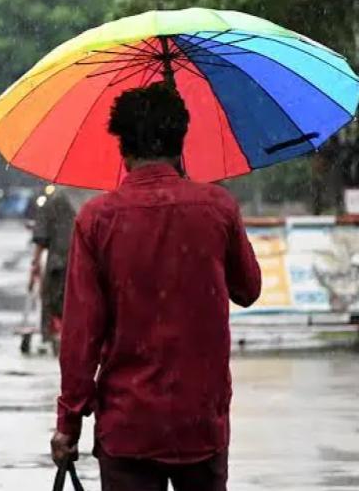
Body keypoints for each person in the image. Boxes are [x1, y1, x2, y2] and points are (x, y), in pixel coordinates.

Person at [49, 83, 261, 491]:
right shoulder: (218, 208)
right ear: (181, 140)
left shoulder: (97, 219)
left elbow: (81, 337)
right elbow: (248, 289)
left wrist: (68, 423)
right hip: (201, 422)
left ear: (122, 148)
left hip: (128, 427)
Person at [28, 185, 77, 344]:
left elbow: (42, 234)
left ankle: (52, 335)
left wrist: (35, 262)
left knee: (52, 299)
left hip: (59, 260)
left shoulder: (56, 199)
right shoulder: (100, 197)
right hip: (87, 264)